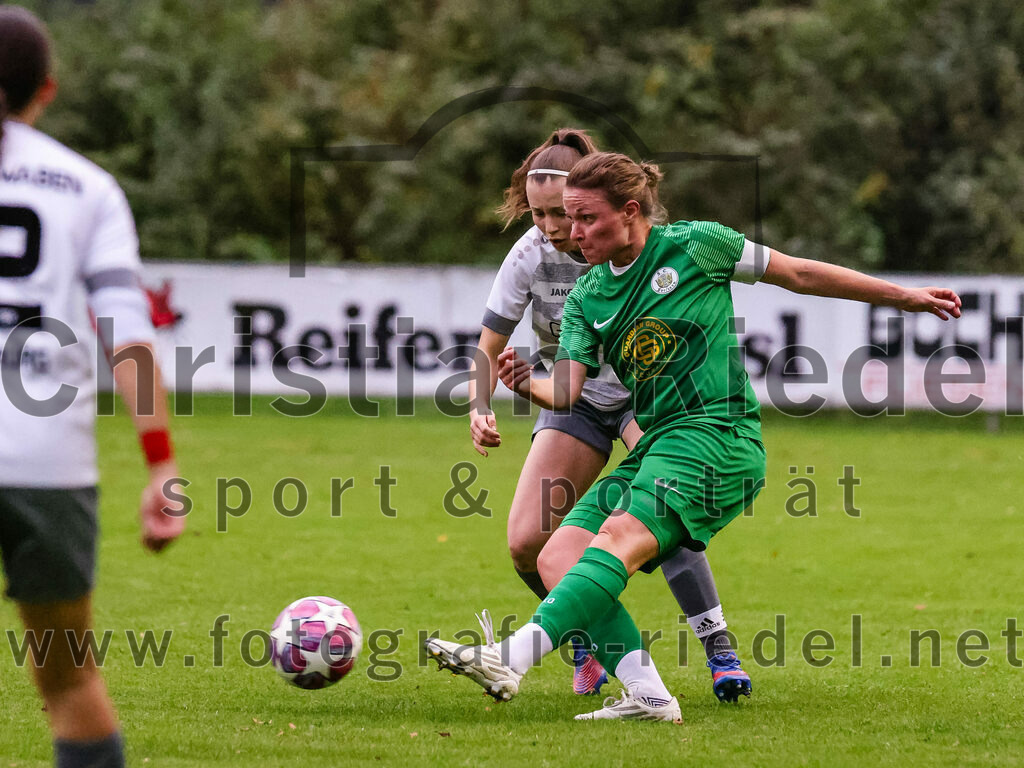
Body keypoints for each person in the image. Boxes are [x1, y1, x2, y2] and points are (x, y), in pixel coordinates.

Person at [428, 150, 961, 721]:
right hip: (661, 443)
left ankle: (512, 657)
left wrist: (904, 296)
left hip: (718, 438)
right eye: (567, 218)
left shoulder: (698, 244)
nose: (572, 233)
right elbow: (567, 390)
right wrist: (524, 384)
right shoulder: (587, 297)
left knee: (617, 538)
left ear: (630, 211)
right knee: (558, 555)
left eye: (585, 218)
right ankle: (649, 696)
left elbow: (800, 274)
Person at [470, 128, 751, 700]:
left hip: (644, 399)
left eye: (562, 212)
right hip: (572, 398)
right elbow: (489, 344)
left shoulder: (628, 243)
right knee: (526, 543)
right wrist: (480, 407)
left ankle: (717, 645)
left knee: (662, 510)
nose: (553, 227)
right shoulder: (528, 255)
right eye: (538, 214)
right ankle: (587, 643)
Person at [0, 7, 186, 766]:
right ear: (46, 89)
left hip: (48, 462)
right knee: (68, 676)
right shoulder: (87, 187)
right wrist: (161, 463)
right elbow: (127, 335)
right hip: (46, 463)